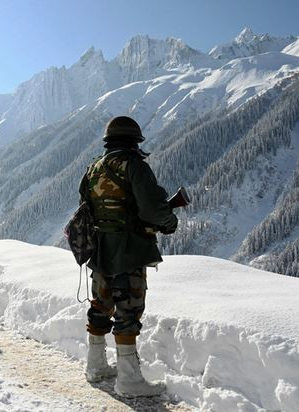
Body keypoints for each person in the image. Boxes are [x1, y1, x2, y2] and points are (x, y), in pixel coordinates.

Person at [79, 116, 178, 397]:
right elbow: (152, 210)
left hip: (100, 250)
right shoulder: (135, 166)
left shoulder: (93, 169)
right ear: (135, 141)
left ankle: (95, 367)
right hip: (129, 251)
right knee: (128, 311)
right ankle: (130, 381)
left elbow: (85, 208)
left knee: (100, 305)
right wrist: (169, 222)